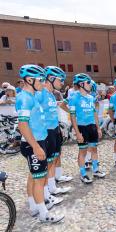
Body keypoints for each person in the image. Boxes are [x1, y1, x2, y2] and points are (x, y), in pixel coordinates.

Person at [16, 64, 64, 223]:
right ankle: (44, 213)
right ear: (29, 80)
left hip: (40, 140)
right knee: (38, 179)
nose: (43, 83)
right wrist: (36, 147)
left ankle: (33, 206)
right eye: (40, 80)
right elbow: (23, 125)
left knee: (35, 176)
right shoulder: (24, 98)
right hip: (33, 144)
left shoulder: (32, 96)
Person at [36, 66, 72, 207]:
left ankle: (52, 187)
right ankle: (46, 193)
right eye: (60, 80)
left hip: (54, 129)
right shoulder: (41, 94)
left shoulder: (51, 94)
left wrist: (58, 128)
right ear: (50, 79)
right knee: (47, 164)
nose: (62, 82)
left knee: (53, 159)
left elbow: (51, 113)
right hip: (45, 132)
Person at [69, 73, 106, 184]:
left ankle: (95, 170)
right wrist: (77, 132)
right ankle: (83, 174)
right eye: (88, 82)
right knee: (83, 152)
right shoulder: (74, 97)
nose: (90, 84)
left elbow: (94, 113)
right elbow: (72, 116)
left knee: (94, 149)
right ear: (81, 84)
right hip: (81, 127)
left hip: (92, 127)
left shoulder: (91, 97)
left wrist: (98, 128)